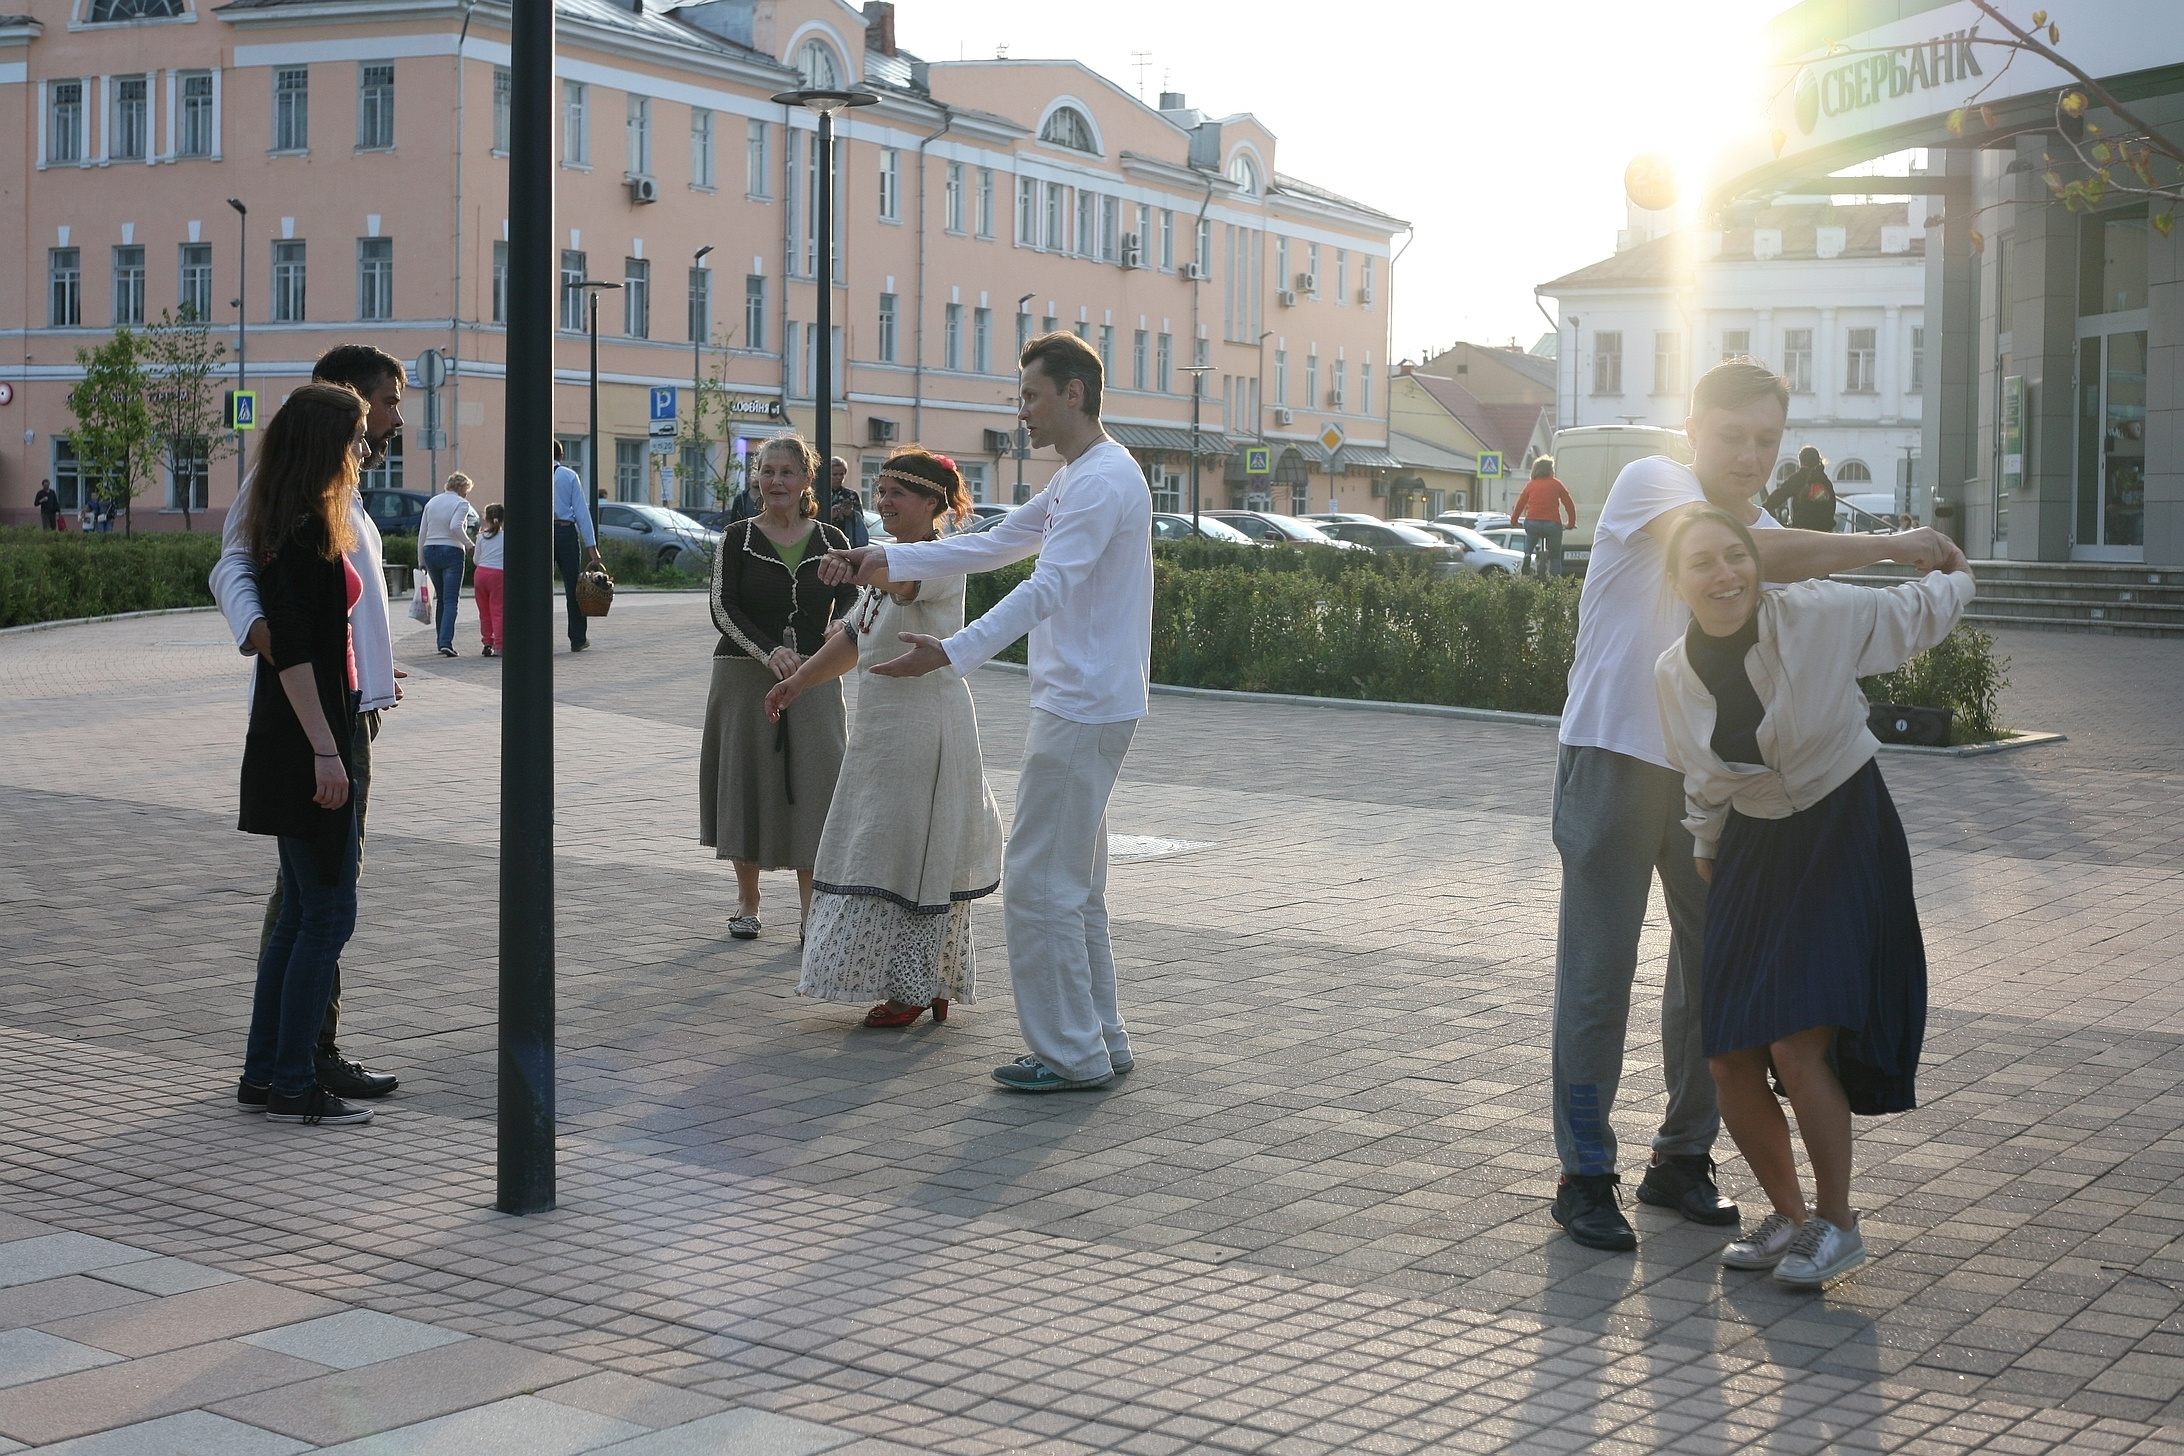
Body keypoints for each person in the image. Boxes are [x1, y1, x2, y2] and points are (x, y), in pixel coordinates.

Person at [1548, 358, 1965, 1253]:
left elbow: (1819, 607)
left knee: (1718, 987)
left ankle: (1680, 1161)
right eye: (1732, 436)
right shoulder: (1649, 482)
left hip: (1720, 790)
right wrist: (1891, 542)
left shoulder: (1764, 524)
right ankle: (1584, 1173)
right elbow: (1762, 555)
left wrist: (1932, 588)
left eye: (1765, 441)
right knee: (1598, 976)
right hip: (1615, 762)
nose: (1747, 456)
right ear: (1695, 427)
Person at [819, 331, 1153, 1094]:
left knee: (1039, 884)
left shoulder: (1100, 481)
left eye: (1031, 395)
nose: (1022, 412)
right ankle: (1099, 1037)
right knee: (1074, 884)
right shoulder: (1084, 474)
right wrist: (892, 560)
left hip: (1084, 707)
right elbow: (1000, 543)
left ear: (1073, 393)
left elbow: (1047, 588)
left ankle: (1071, 1053)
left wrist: (954, 650)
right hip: (1085, 703)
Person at [1657, 507, 1969, 1287]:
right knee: (1729, 1053)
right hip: (1752, 842)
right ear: (1676, 581)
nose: (1725, 574)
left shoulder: (1816, 615)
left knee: (1797, 1045)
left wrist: (1956, 575)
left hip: (1840, 822)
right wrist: (1705, 847)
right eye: (1704, 564)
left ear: (1758, 565)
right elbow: (1701, 776)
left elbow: (1912, 613)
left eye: (1738, 556)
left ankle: (1838, 1224)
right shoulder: (1673, 670)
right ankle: (1790, 1218)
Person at [211, 343, 406, 1105]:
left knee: (310, 906)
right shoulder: (293, 498)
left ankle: (287, 1062)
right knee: (318, 908)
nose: (388, 422)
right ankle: (296, 1064)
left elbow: (334, 614)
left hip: (341, 709)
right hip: (315, 727)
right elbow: (237, 571)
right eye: (382, 404)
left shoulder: (331, 494)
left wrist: (367, 666)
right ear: (345, 406)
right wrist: (277, 648)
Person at [767, 448, 1005, 1027]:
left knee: (910, 856)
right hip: (882, 733)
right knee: (883, 848)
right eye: (882, 490)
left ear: (933, 503)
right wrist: (797, 682)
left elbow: (902, 587)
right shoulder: (888, 559)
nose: (884, 501)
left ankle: (917, 986)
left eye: (899, 492)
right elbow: (852, 639)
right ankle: (930, 981)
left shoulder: (938, 558)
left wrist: (860, 564)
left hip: (927, 729)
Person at [235, 382, 379, 1127]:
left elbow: (314, 642)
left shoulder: (291, 519)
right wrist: (329, 751)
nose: (364, 451)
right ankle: (293, 1081)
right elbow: (290, 649)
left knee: (299, 915)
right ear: (328, 444)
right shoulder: (303, 532)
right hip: (308, 744)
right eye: (356, 437)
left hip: (303, 735)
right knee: (327, 915)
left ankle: (267, 1076)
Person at [699, 434, 858, 940]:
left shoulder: (834, 540)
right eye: (767, 472)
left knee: (818, 784)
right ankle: (748, 902)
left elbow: (859, 602)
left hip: (816, 675)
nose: (776, 482)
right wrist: (768, 651)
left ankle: (813, 912)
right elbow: (723, 608)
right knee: (746, 782)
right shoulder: (737, 537)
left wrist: (842, 627)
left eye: (787, 472)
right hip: (744, 676)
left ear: (807, 479)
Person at [417, 472, 479, 658]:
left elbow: (422, 532)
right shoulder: (461, 503)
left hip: (430, 550)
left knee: (442, 599)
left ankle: (440, 641)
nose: (466, 494)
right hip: (451, 551)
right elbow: (455, 526)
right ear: (461, 488)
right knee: (451, 599)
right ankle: (446, 642)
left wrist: (421, 560)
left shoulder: (432, 502)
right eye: (466, 490)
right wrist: (470, 545)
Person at [552, 441, 604, 652]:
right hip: (565, 532)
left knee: (538, 588)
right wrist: (593, 549)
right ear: (561, 456)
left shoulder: (532, 474)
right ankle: (577, 638)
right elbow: (582, 512)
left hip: (540, 533)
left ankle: (538, 637)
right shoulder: (568, 476)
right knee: (574, 587)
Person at [1509, 458, 1577, 577]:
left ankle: (1528, 555)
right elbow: (1569, 504)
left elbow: (1520, 504)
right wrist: (1570, 523)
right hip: (1552, 524)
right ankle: (1555, 581)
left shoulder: (1530, 485)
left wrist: (1514, 521)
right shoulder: (1556, 484)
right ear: (1549, 471)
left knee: (1531, 533)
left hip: (1532, 522)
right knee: (1555, 556)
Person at [1764, 446, 1839, 532]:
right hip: (1826, 533)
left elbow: (1776, 498)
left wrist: (1764, 509)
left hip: (1803, 532)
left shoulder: (1798, 479)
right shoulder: (1825, 481)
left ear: (1801, 461)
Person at [474, 503, 506, 657]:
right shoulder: (506, 537)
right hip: (498, 575)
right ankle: (500, 645)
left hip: (480, 574)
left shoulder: (481, 537)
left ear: (485, 518)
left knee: (484, 611)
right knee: (498, 610)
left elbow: (476, 559)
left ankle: (487, 642)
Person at [827, 458, 871, 548]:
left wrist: (851, 514)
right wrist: (829, 516)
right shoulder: (820, 494)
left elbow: (860, 519)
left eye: (841, 474)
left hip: (848, 541)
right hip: (825, 540)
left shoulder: (851, 495)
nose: (839, 478)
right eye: (835, 474)